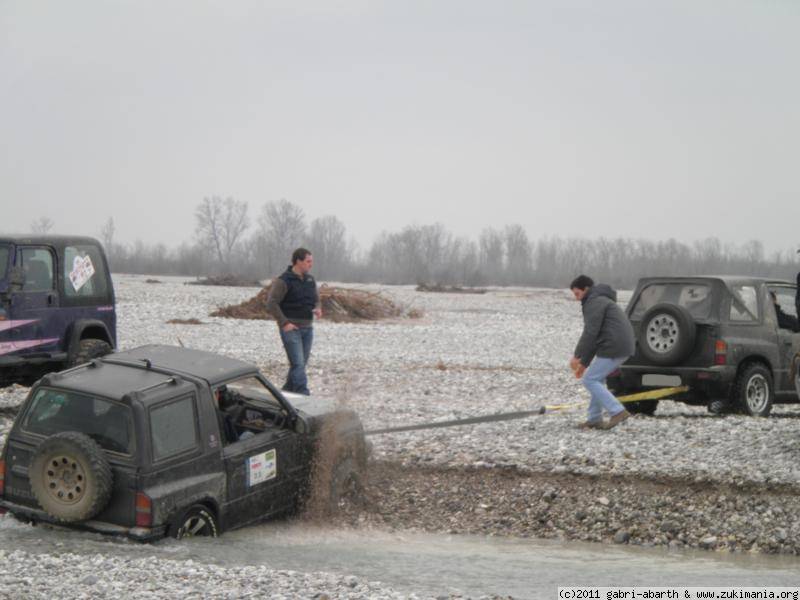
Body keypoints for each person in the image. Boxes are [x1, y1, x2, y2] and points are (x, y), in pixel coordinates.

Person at [569, 274, 636, 430]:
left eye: (577, 294)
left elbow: (590, 333)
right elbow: (595, 335)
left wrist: (577, 356)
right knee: (596, 379)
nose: (577, 299)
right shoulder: (599, 299)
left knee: (590, 380)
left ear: (586, 289)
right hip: (619, 346)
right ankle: (594, 419)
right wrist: (584, 363)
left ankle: (617, 411)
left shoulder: (594, 302)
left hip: (614, 347)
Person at [266, 248, 322, 395]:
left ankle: (284, 394)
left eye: (311, 261)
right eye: (308, 261)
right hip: (291, 329)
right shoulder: (283, 280)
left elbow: (317, 300)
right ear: (298, 261)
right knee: (298, 364)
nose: (311, 264)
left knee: (300, 365)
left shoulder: (310, 280)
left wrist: (317, 308)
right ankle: (304, 395)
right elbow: (271, 303)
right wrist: (284, 323)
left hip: (308, 329)